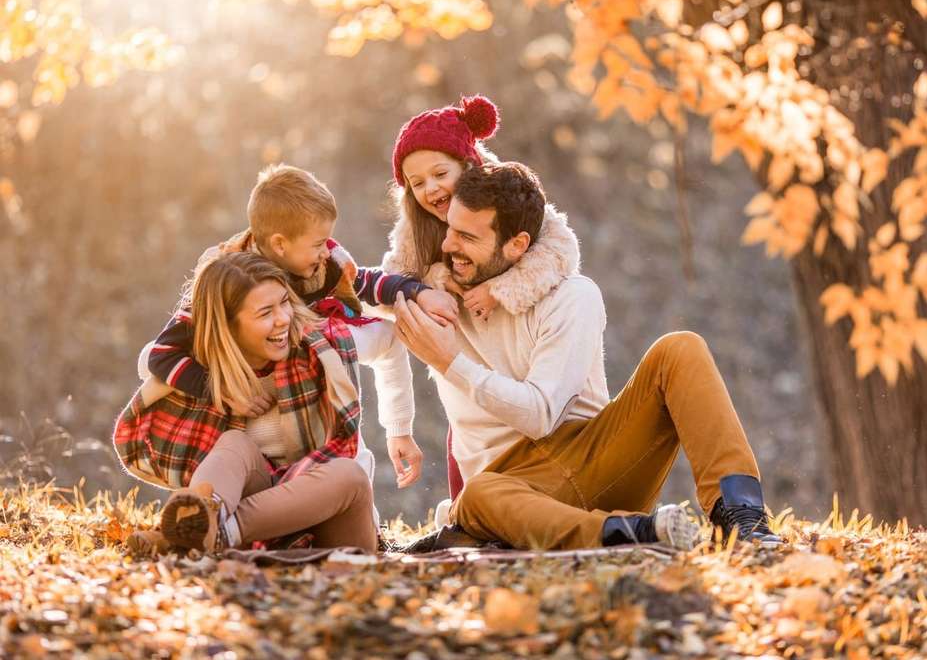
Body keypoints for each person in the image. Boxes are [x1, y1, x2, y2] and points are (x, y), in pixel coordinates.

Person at [392, 161, 783, 551]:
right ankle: (632, 532)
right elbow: (361, 288)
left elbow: (541, 415)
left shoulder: (571, 297)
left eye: (465, 236)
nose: (447, 246)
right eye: (450, 230)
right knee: (478, 495)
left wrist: (450, 364)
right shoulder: (439, 297)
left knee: (680, 348)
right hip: (511, 490)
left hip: (594, 461)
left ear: (517, 245)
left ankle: (742, 519)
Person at [143, 163, 458, 490]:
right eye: (319, 243)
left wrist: (419, 293)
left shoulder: (326, 263)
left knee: (347, 349)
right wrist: (220, 391)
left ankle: (348, 486)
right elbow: (160, 353)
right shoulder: (227, 278)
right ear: (280, 244)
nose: (326, 251)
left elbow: (363, 281)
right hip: (247, 397)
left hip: (309, 369)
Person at [383, 95, 581, 505]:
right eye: (416, 183)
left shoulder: (508, 201)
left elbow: (562, 252)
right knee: (469, 440)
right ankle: (467, 513)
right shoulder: (415, 228)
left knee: (526, 421)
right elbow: (392, 280)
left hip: (521, 346)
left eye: (440, 173)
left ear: (468, 164)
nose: (430, 188)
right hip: (468, 364)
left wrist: (500, 289)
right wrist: (431, 282)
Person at [115, 253, 378, 553]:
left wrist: (401, 427)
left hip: (331, 526)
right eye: (265, 312)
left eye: (284, 303)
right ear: (228, 325)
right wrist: (217, 389)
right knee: (234, 443)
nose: (283, 319)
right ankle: (200, 521)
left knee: (349, 475)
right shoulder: (204, 375)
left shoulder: (320, 348)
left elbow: (389, 337)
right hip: (261, 520)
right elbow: (153, 356)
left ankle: (209, 534)